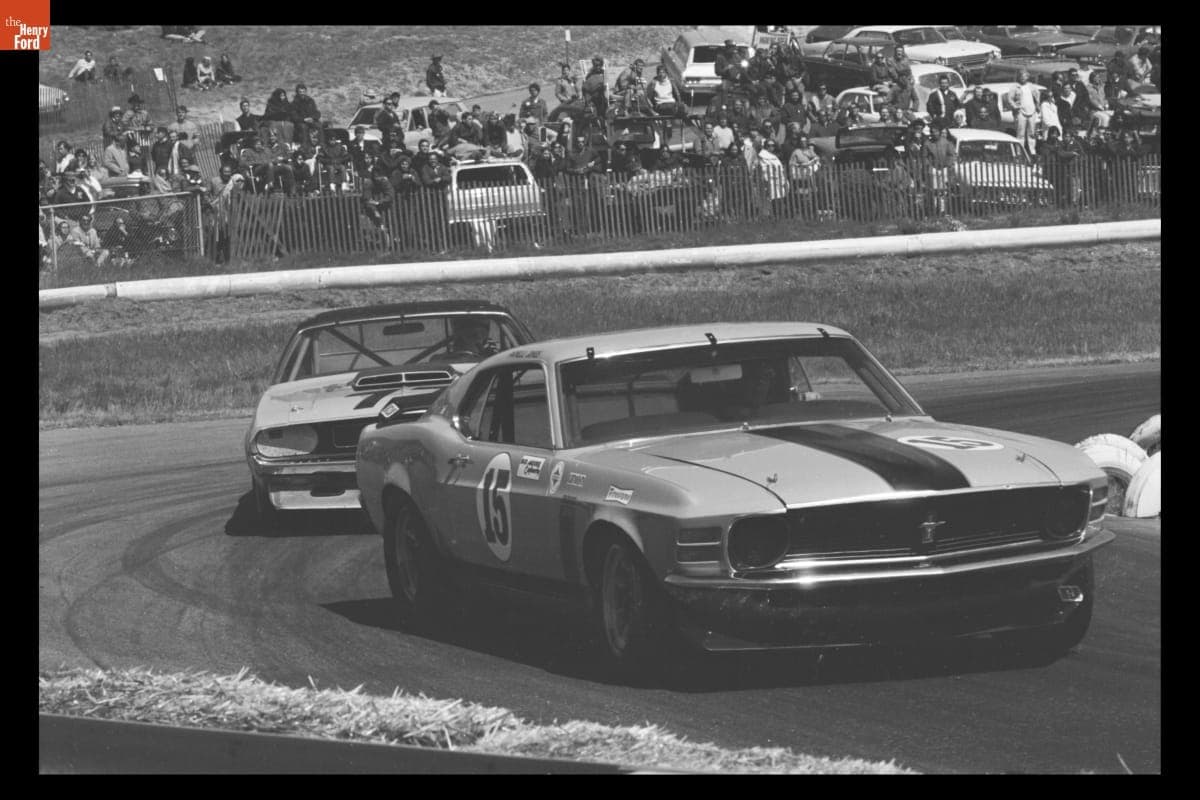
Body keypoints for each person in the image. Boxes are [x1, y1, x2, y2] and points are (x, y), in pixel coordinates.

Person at [922, 124, 957, 214]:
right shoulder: (927, 143)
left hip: (944, 169)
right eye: (932, 132)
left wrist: (948, 164)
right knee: (934, 191)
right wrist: (929, 165)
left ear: (940, 132)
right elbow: (924, 156)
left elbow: (952, 155)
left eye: (936, 132)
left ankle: (942, 210)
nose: (934, 134)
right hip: (933, 169)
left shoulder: (946, 142)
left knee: (943, 191)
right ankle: (934, 209)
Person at [1008, 70, 1040, 155]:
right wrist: (1015, 106)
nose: (1023, 78)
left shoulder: (1031, 86)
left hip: (1032, 112)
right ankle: (1019, 153)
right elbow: (1010, 99)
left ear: (1027, 77)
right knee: (1020, 133)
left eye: (1025, 76)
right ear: (1019, 77)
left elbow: (1037, 94)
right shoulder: (1015, 87)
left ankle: (1032, 151)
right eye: (1021, 76)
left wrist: (1037, 105)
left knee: (1032, 133)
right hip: (1021, 112)